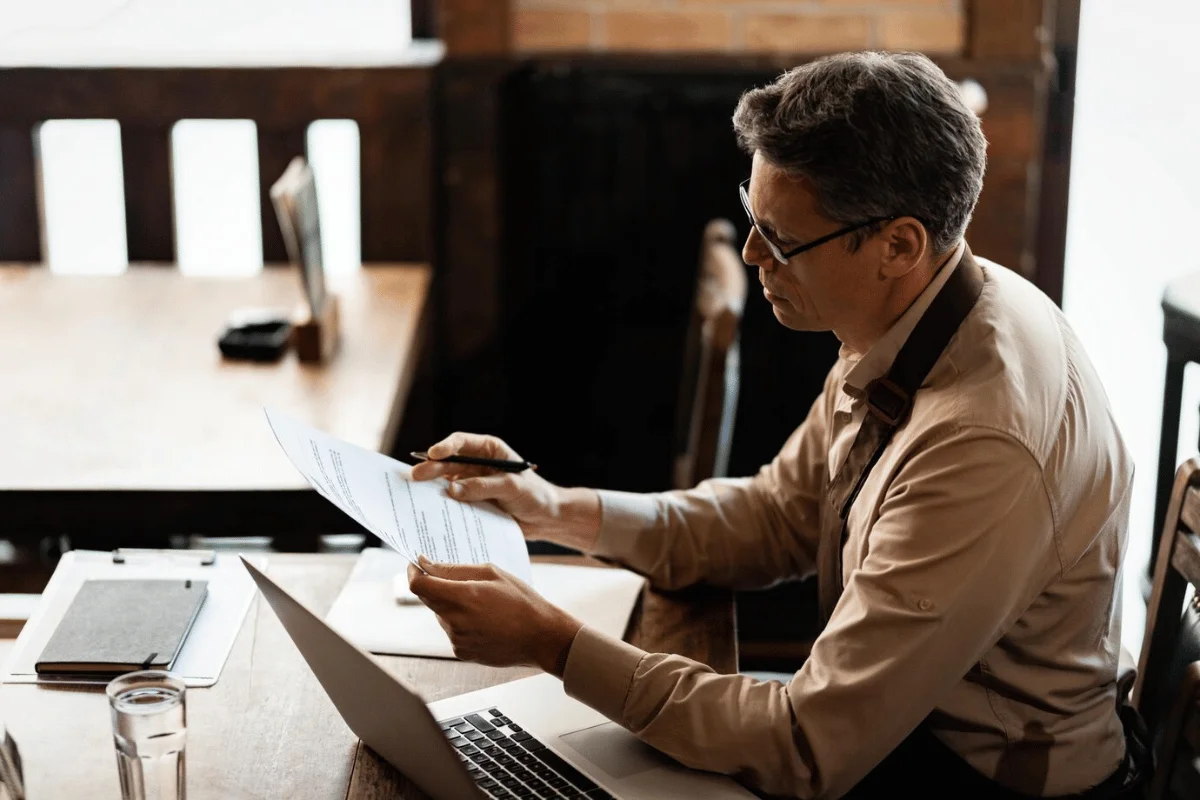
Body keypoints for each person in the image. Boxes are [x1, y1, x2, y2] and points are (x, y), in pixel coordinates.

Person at [407, 51, 1145, 798]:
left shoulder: (981, 439)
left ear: (899, 245)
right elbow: (777, 516)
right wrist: (554, 508)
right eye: (753, 216)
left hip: (976, 778)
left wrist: (551, 642)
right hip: (893, 731)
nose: (756, 252)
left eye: (784, 239)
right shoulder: (922, 313)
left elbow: (805, 746)